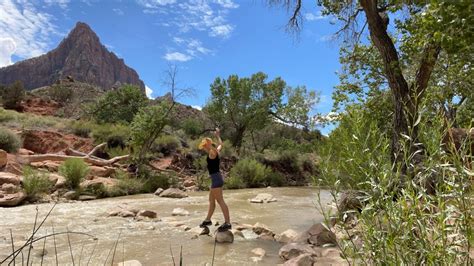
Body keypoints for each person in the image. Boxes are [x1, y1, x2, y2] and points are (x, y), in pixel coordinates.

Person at [198, 128, 231, 232]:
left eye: (204, 145)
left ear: (207, 145)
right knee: (211, 200)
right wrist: (218, 136)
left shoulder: (213, 153)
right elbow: (221, 144)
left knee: (220, 200)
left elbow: (216, 148)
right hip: (215, 178)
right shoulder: (213, 152)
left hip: (216, 179)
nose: (203, 147)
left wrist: (210, 143)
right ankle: (208, 220)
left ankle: (227, 223)